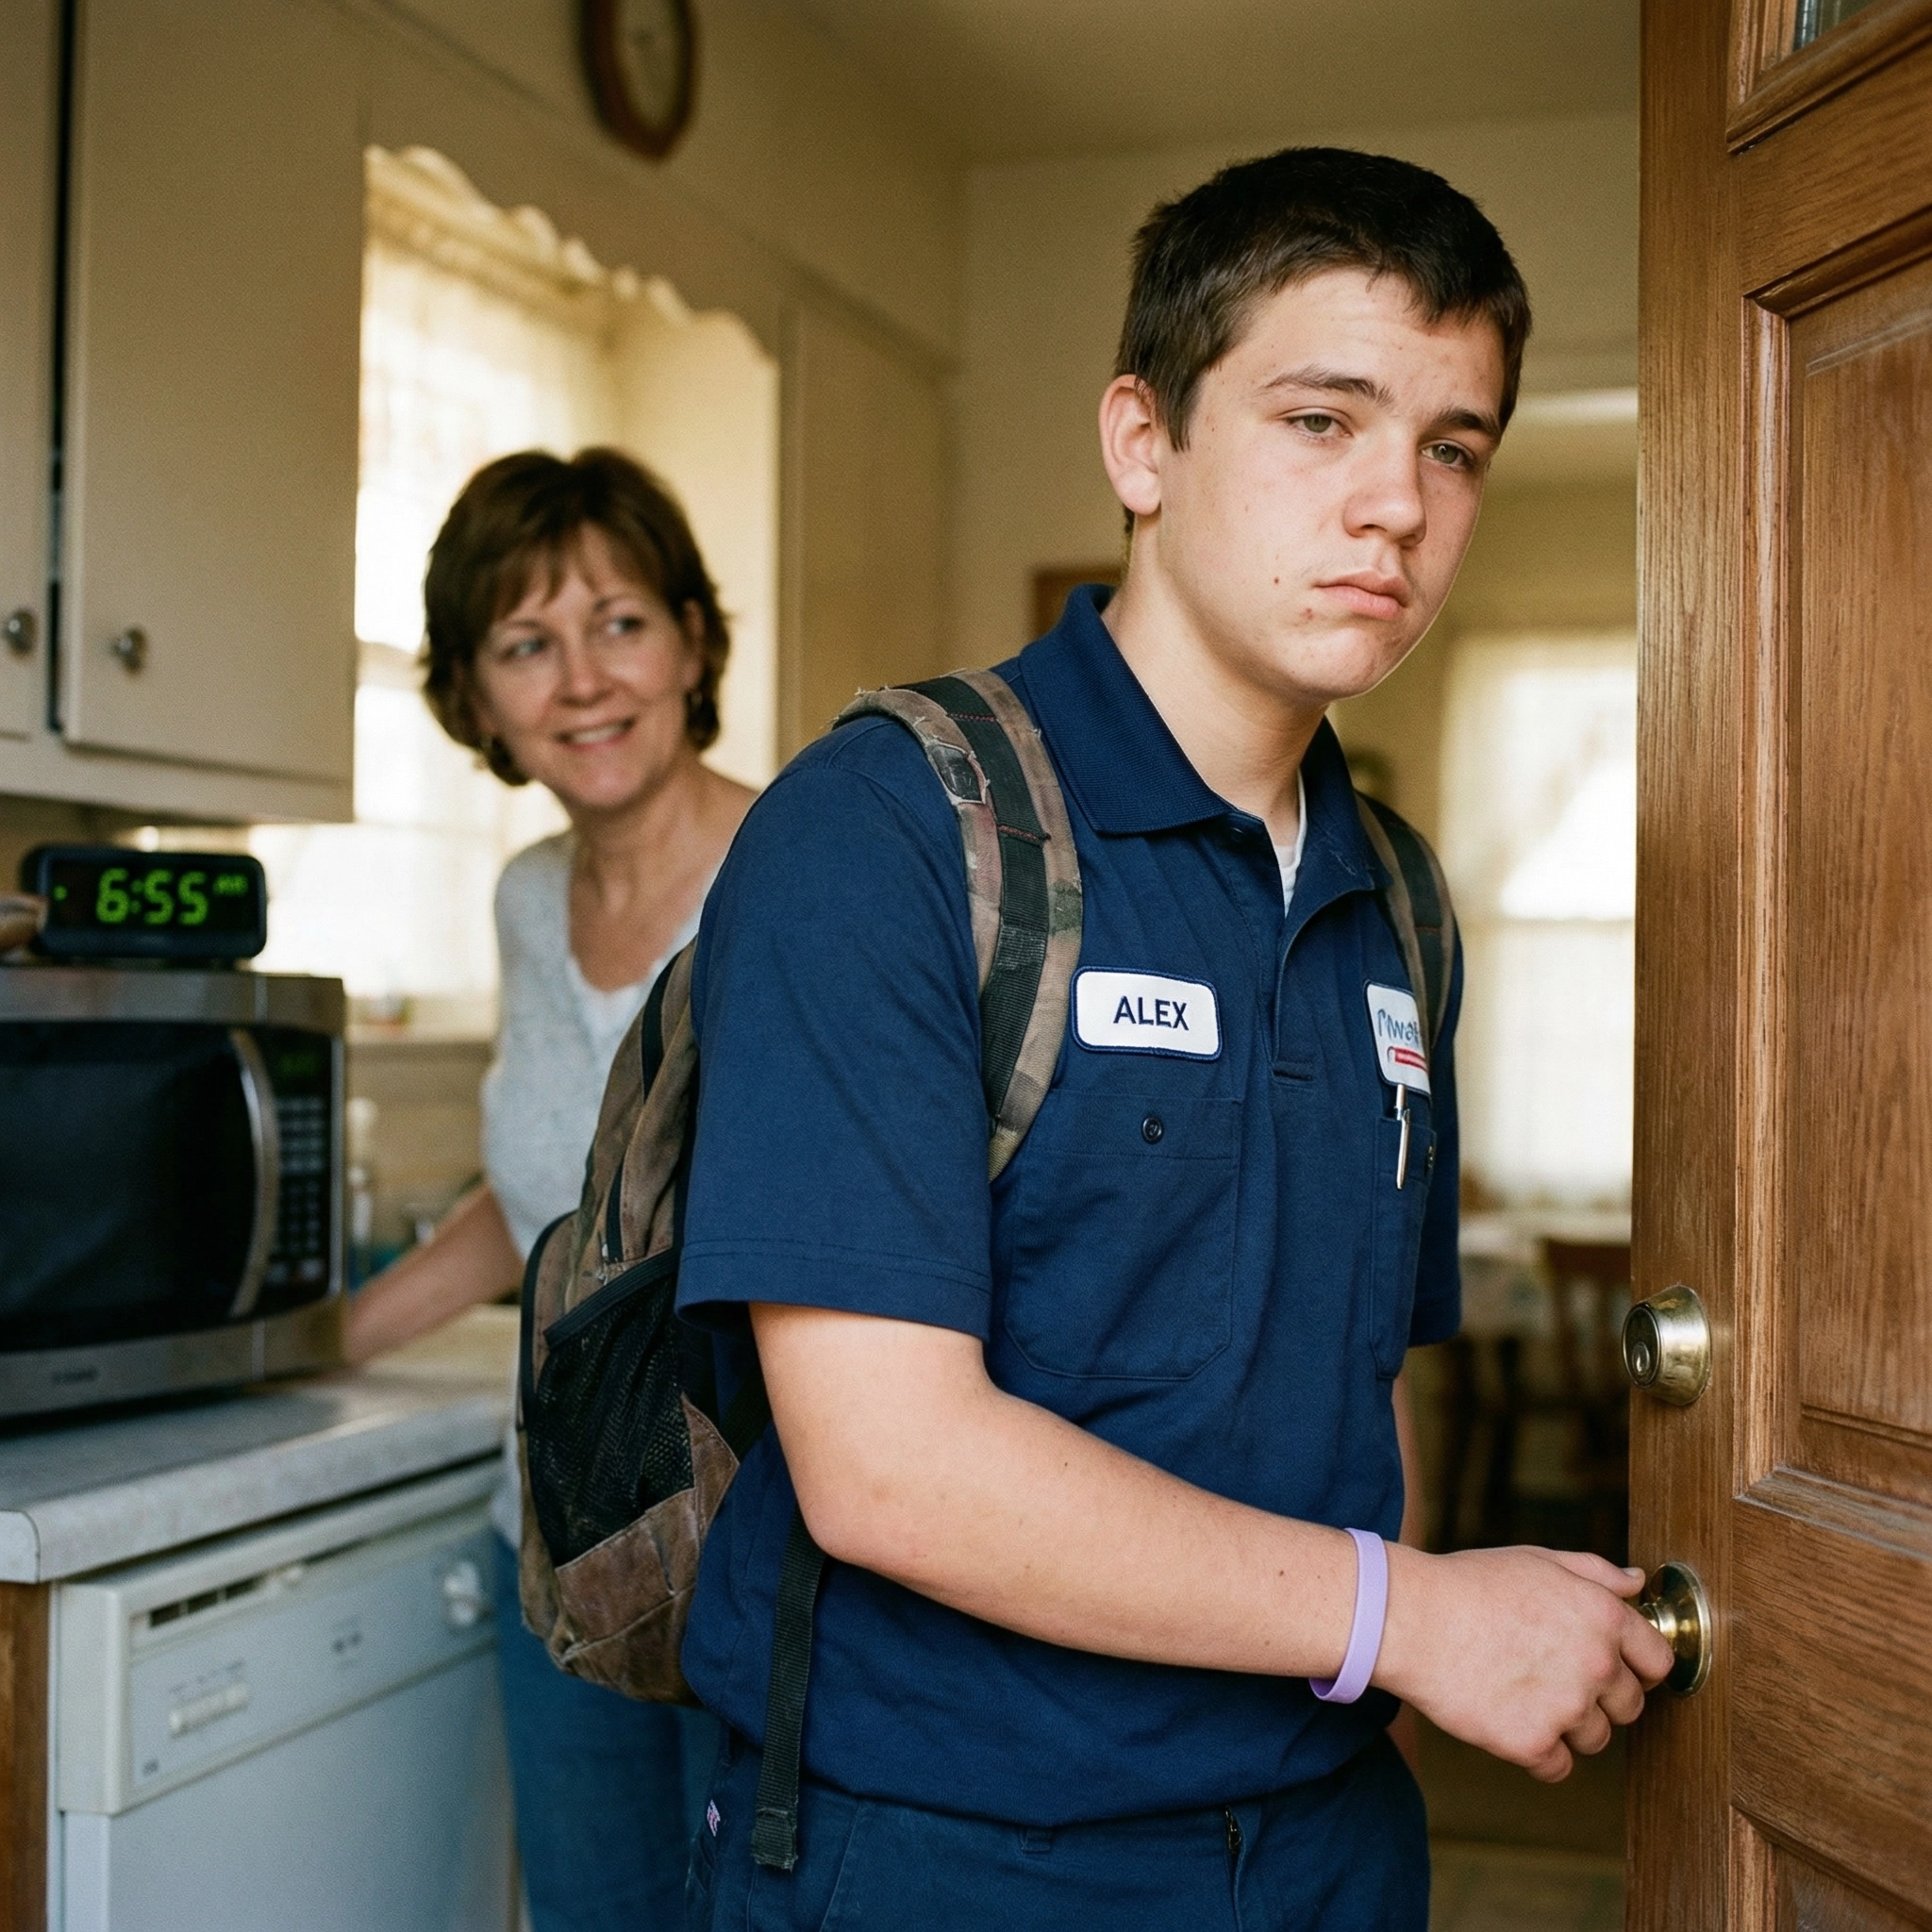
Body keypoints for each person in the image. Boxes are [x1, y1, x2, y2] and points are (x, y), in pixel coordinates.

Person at [673, 149, 1674, 1930]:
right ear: (1142, 443)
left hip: (1327, 1835)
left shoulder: (1402, 896)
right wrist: (1418, 1618)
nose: (1397, 507)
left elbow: (1368, 1381)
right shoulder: (889, 829)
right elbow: (888, 1465)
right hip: (944, 1847)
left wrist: (1382, 1676)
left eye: (1455, 445)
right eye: (1321, 419)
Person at [341, 448, 751, 1932]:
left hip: (763, 1576)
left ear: (693, 640)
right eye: (526, 643)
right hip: (565, 1556)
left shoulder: (801, 872)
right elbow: (546, 1202)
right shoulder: (526, 895)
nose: (582, 680)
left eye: (621, 622)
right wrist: (319, 1341)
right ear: (475, 697)